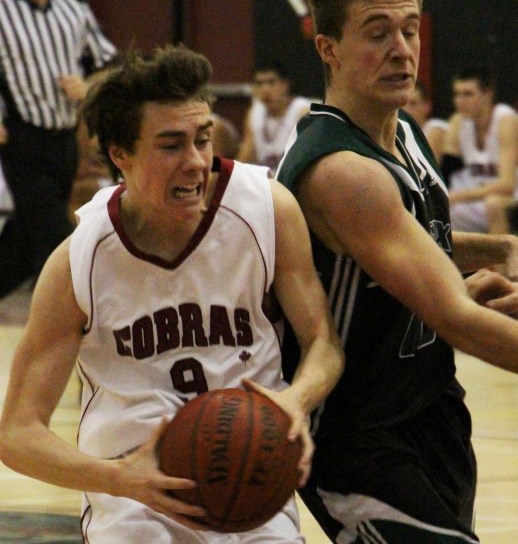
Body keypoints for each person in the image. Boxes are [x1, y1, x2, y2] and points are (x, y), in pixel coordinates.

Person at [0, 44, 345, 543]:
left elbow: (323, 343)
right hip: (134, 497)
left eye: (202, 140)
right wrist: (119, 478)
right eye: (171, 145)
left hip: (250, 477)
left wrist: (294, 401)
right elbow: (17, 433)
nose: (196, 162)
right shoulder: (79, 259)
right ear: (121, 154)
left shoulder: (266, 208)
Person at [276, 0, 518, 543]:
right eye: (377, 33)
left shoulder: (404, 131)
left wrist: (499, 249)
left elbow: (418, 239)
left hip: (432, 411)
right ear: (327, 48)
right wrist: (456, 295)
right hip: (359, 442)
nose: (401, 49)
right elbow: (459, 321)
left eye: (409, 30)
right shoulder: (340, 170)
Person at [0, 0, 117, 298]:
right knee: (53, 230)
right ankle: (73, 308)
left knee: (26, 232)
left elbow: (108, 63)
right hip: (21, 135)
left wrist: (87, 86)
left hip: (65, 137)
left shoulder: (74, 12)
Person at [442, 66, 518, 233]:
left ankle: (503, 259)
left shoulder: (506, 120)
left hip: (509, 198)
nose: (459, 101)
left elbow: (507, 185)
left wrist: (457, 196)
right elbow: (446, 173)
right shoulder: (460, 122)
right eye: (457, 94)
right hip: (478, 196)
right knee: (439, 213)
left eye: (468, 94)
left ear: (488, 94)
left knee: (494, 205)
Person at [238, 61, 311, 174]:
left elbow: (307, 160)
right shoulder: (254, 113)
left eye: (271, 82)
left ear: (285, 85)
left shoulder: (302, 111)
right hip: (265, 182)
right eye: (259, 83)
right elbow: (245, 159)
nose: (265, 90)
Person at [403, 79, 448, 162]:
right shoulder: (402, 134)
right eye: (403, 104)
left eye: (413, 103)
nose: (406, 110)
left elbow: (427, 168)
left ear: (427, 106)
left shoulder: (435, 127)